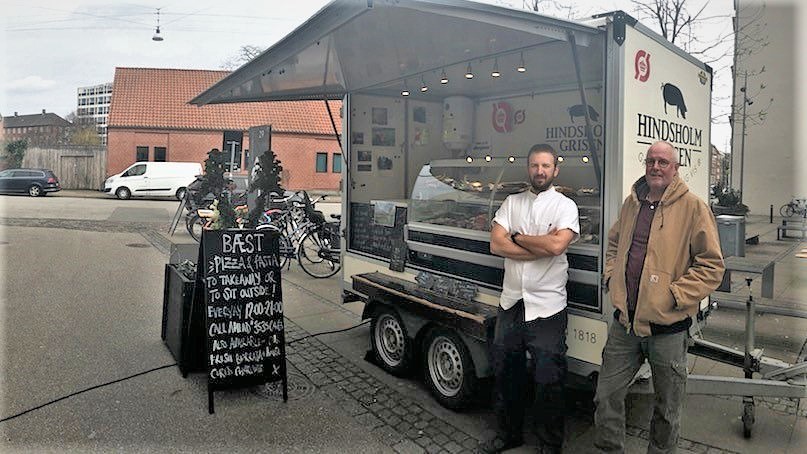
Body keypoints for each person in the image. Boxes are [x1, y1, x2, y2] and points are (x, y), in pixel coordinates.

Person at [593, 140, 725, 453]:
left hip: (668, 330)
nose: (655, 167)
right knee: (605, 396)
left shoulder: (693, 207)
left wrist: (675, 294)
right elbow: (613, 245)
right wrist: (612, 277)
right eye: (651, 160)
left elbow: (712, 266)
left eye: (663, 162)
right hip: (624, 326)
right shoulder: (632, 204)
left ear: (675, 169)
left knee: (667, 408)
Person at [481, 143, 580, 454]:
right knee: (506, 372)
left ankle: (550, 444)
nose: (540, 171)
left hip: (548, 307)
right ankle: (509, 435)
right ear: (528, 168)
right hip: (511, 302)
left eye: (546, 166)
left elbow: (555, 247)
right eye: (535, 165)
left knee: (548, 378)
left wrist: (518, 237)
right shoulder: (512, 202)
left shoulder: (565, 206)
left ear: (555, 170)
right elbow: (496, 245)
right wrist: (537, 244)